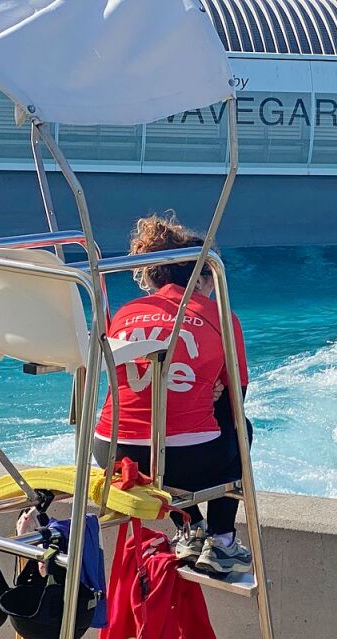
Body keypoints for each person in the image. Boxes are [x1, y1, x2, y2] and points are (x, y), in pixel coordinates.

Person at [92, 214, 252, 575]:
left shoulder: (125, 313)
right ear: (205, 277)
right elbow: (237, 395)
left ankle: (191, 527)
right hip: (184, 460)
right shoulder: (219, 315)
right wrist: (210, 390)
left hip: (110, 453)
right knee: (240, 426)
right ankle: (223, 541)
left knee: (168, 425)